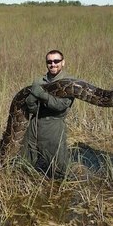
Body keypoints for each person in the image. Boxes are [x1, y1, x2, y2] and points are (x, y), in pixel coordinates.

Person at [21, 50, 75, 178]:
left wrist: (41, 95)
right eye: (49, 62)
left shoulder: (69, 82)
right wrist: (30, 103)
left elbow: (60, 106)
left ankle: (59, 191)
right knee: (25, 160)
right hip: (35, 123)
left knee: (58, 169)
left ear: (63, 63)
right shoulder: (39, 81)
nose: (53, 64)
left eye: (56, 61)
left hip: (53, 124)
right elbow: (33, 110)